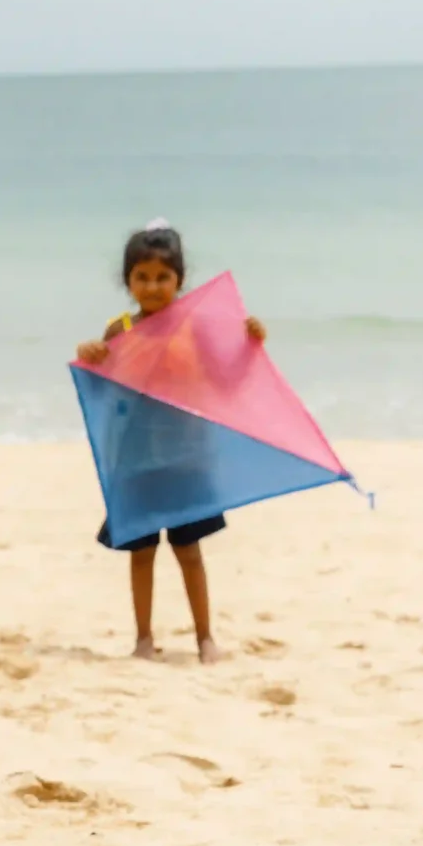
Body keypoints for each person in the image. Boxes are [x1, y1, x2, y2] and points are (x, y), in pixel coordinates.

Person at [74, 221, 264, 667]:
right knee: (140, 555)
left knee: (190, 553)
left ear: (180, 279)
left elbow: (224, 379)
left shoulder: (194, 328)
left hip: (186, 459)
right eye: (142, 277)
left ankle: (205, 639)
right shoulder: (118, 329)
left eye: (162, 277)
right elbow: (103, 391)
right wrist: (90, 356)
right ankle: (143, 639)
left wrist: (250, 343)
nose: (153, 286)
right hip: (137, 460)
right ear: (128, 281)